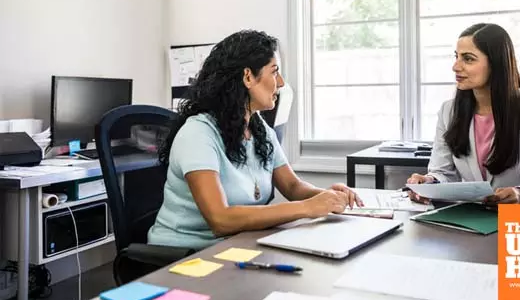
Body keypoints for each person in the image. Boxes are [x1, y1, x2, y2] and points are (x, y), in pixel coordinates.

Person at [148, 30, 363, 250]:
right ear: (248, 77)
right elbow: (221, 220)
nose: (280, 82)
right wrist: (308, 207)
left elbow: (292, 186)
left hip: (236, 246)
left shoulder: (259, 128)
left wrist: (328, 197)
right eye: (274, 72)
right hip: (183, 254)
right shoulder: (198, 133)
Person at [407, 23, 520, 205]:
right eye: (457, 57)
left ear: (496, 63)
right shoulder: (448, 111)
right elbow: (443, 172)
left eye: (468, 59)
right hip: (471, 219)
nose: (456, 67)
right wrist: (430, 182)